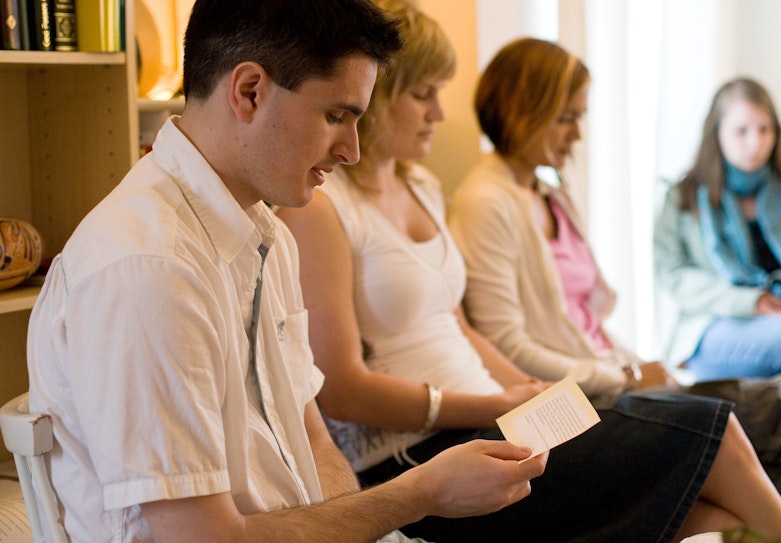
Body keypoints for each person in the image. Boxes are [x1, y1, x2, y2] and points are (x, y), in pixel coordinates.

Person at [23, 2, 552, 541]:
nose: (351, 150)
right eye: (336, 116)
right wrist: (421, 493)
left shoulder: (267, 236)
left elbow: (315, 443)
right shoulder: (147, 270)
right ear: (249, 91)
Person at [277, 12, 781, 540]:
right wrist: (501, 403)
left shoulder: (424, 187)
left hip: (493, 417)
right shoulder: (324, 206)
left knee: (722, 512)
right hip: (424, 448)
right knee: (721, 432)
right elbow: (342, 391)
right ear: (380, 95)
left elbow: (462, 328)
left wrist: (526, 390)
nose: (439, 112)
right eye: (425, 94)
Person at [446, 37, 781, 519]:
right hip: (590, 397)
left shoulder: (549, 194)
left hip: (611, 378)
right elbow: (510, 346)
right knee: (778, 414)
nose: (577, 134)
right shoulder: (486, 202)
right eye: (568, 117)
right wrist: (628, 375)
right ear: (525, 111)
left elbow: (585, 324)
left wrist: (639, 366)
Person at [653, 77, 781, 381]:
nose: (755, 143)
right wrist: (753, 302)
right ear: (717, 133)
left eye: (764, 129)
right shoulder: (683, 197)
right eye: (741, 131)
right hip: (715, 322)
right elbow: (674, 277)